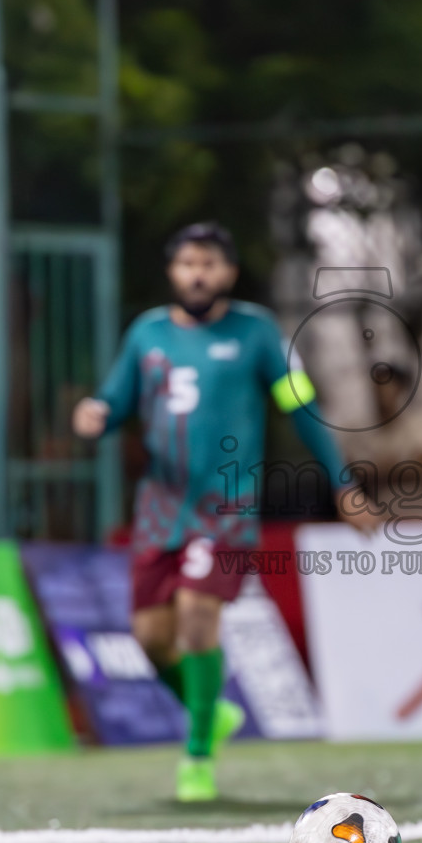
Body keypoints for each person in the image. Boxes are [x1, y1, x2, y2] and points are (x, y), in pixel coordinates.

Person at [73, 221, 373, 801]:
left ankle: (196, 759)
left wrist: (342, 481)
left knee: (195, 618)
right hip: (160, 510)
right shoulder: (148, 334)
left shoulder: (257, 332)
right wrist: (96, 414)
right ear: (172, 272)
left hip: (226, 511)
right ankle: (211, 712)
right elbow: (115, 400)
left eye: (210, 263)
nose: (198, 273)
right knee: (149, 638)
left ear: (229, 272)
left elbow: (300, 404)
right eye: (188, 263)